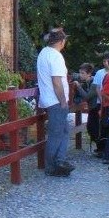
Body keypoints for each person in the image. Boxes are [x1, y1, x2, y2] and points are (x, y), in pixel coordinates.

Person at [37, 28, 73, 177]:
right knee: (56, 134)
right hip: (56, 100)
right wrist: (63, 101)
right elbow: (57, 81)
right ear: (61, 41)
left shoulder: (44, 53)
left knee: (63, 130)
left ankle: (60, 161)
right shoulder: (56, 56)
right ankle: (52, 166)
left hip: (48, 99)